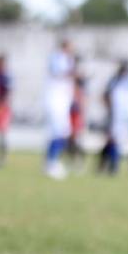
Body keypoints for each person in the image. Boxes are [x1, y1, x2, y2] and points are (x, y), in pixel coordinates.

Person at [43, 39, 75, 180]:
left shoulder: (67, 60)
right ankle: (52, 162)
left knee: (61, 131)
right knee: (58, 130)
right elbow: (58, 73)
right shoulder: (58, 58)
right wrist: (74, 73)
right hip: (55, 100)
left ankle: (51, 161)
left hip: (62, 100)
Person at [66, 55, 87, 172]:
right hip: (69, 110)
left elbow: (83, 95)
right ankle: (72, 159)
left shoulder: (80, 79)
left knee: (76, 136)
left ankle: (78, 160)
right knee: (70, 137)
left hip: (76, 110)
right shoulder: (69, 76)